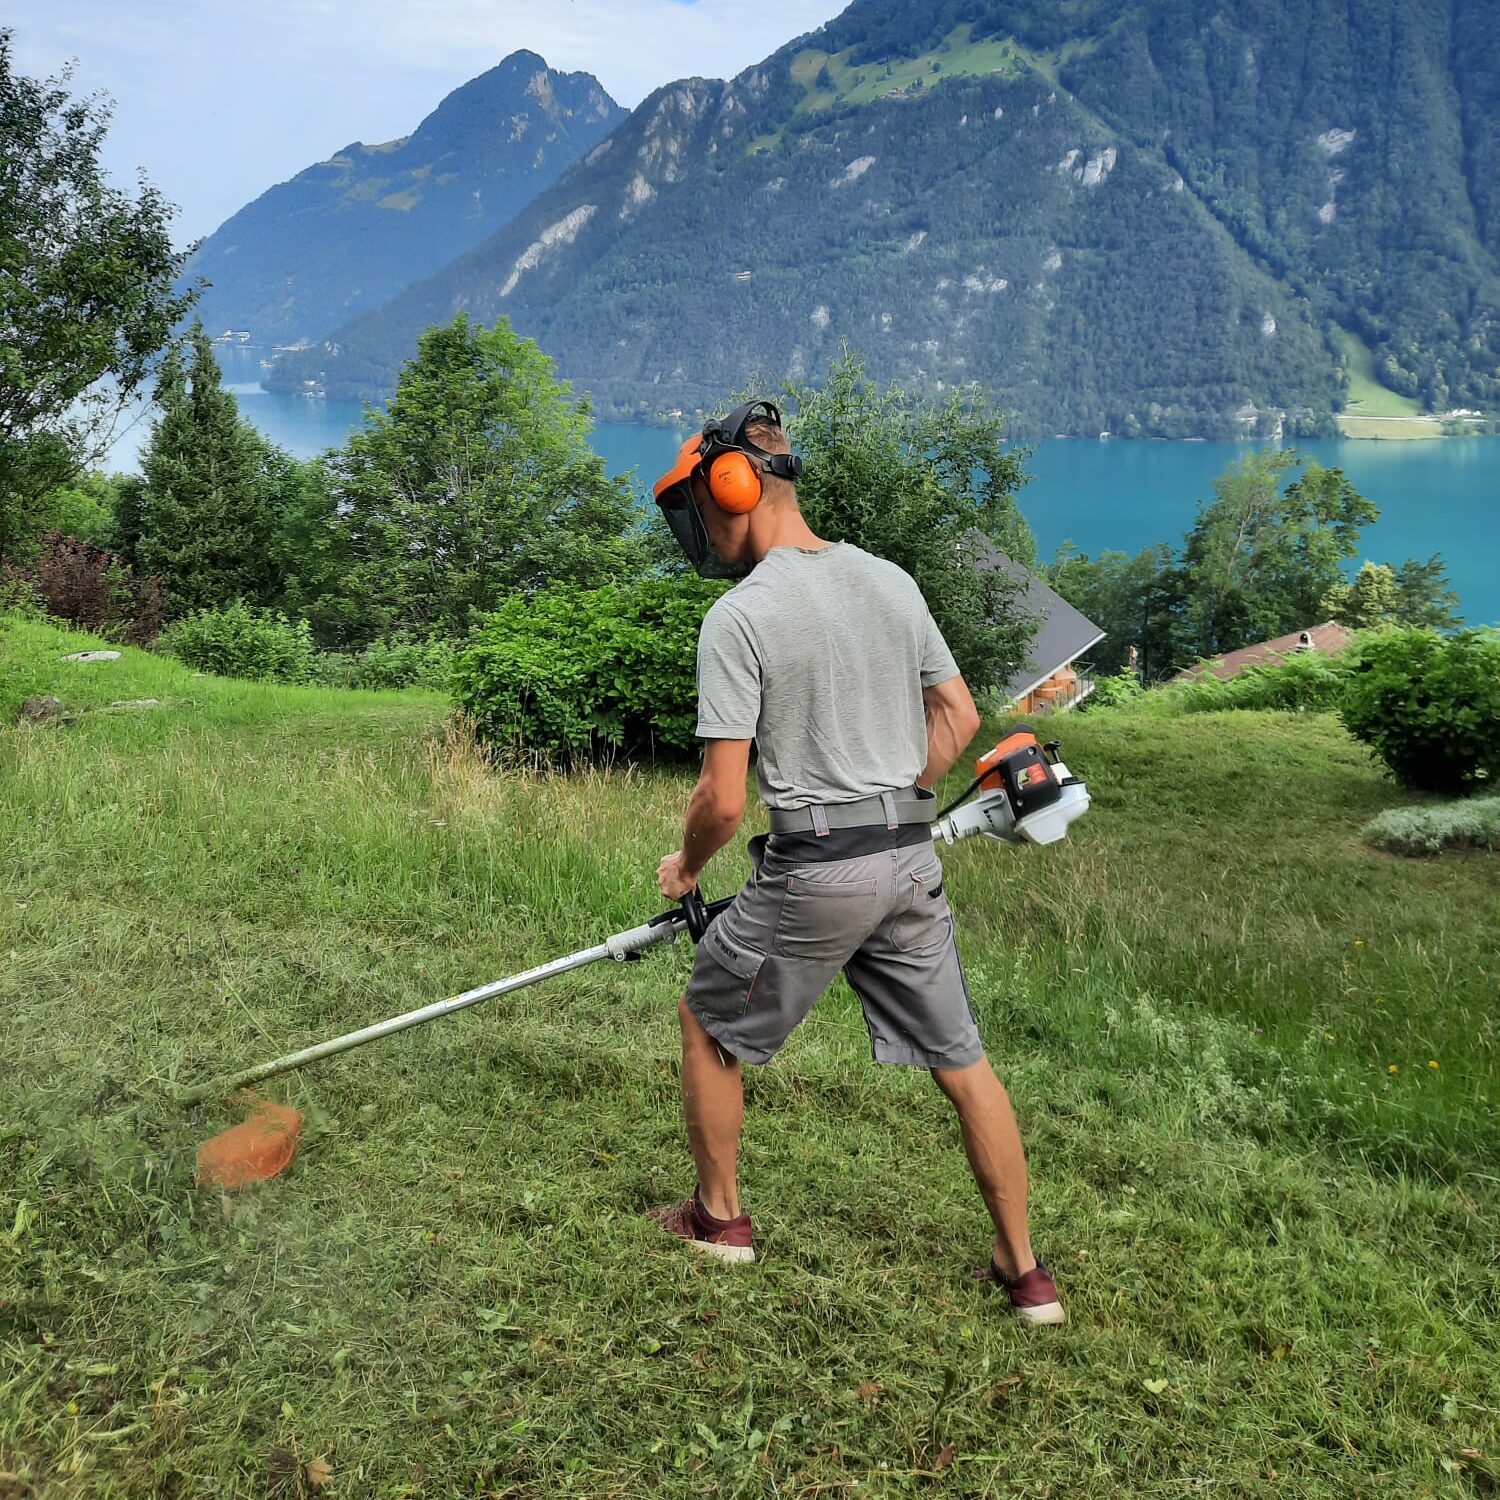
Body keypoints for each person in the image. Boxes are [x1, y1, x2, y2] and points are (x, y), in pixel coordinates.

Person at [647, 400, 1063, 1326]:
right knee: (964, 1061)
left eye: (699, 508)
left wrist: (685, 864)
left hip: (816, 871)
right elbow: (958, 718)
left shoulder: (739, 616)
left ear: (734, 486)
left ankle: (718, 1222)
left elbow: (721, 799)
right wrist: (890, 799)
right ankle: (1026, 1274)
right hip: (910, 860)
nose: (702, 533)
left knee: (708, 1020)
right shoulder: (891, 582)